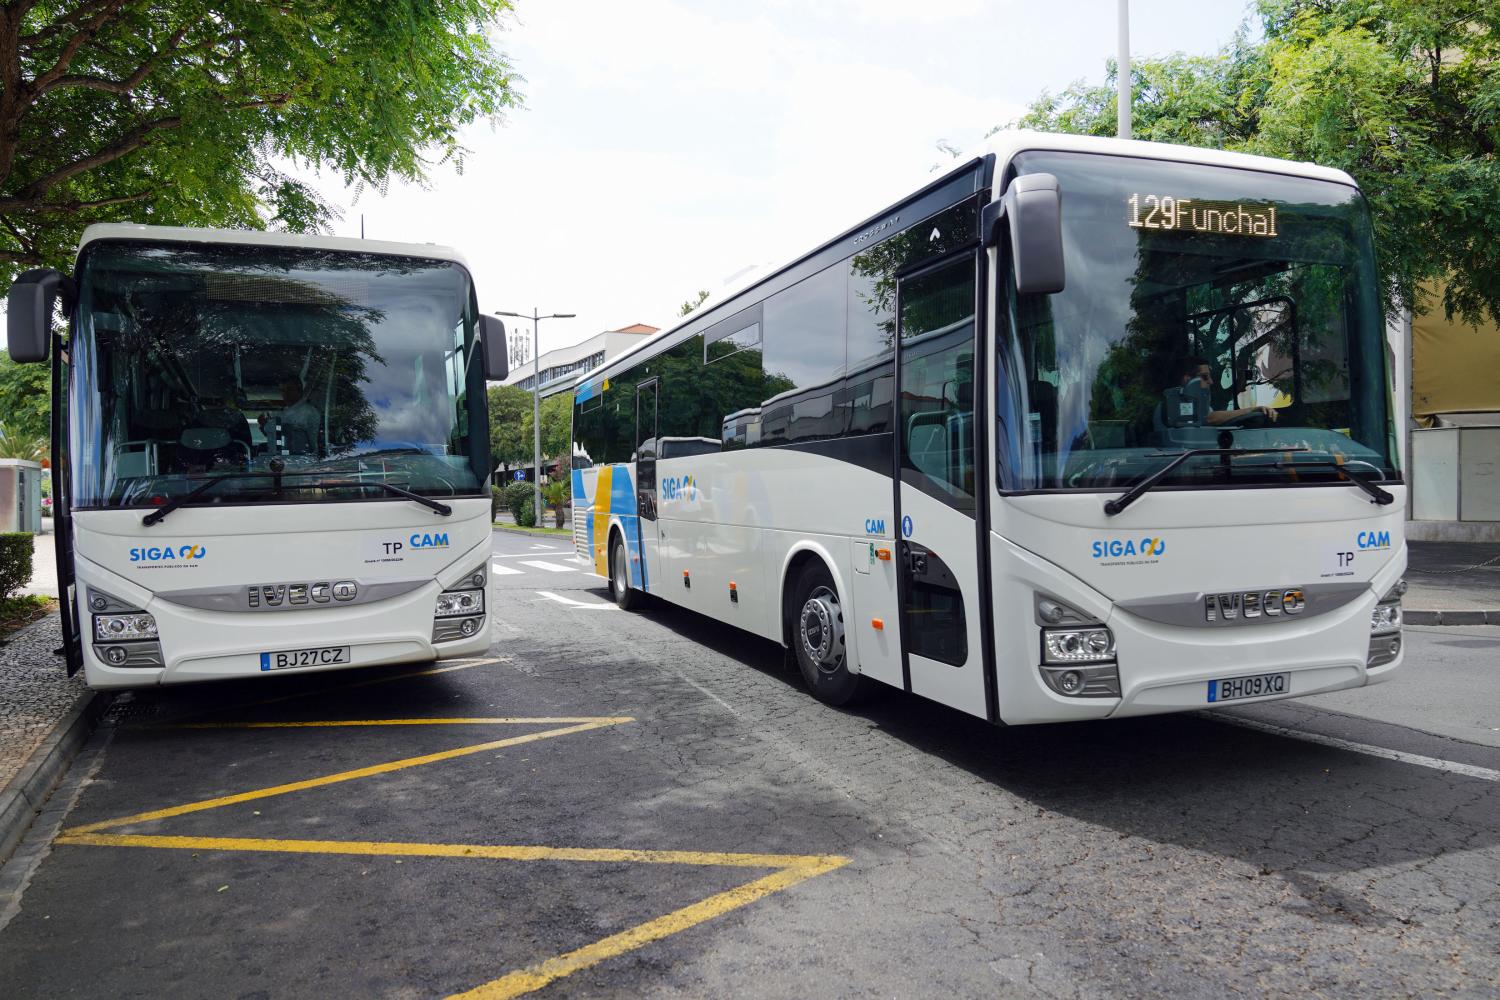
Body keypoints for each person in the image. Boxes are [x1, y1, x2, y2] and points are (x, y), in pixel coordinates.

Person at [1179, 357, 1279, 426]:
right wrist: (1252, 410)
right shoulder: (1176, 402)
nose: (1211, 381)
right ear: (1187, 380)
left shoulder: (1198, 403)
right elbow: (1210, 418)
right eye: (1205, 377)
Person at [273, 377, 321, 456]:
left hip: (303, 460)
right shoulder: (284, 412)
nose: (286, 393)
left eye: (290, 389)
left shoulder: (309, 412)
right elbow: (279, 438)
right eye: (282, 390)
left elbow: (313, 442)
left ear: (299, 391)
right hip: (283, 458)